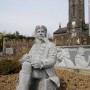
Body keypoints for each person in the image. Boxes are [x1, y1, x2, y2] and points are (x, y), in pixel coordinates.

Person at [16, 25, 60, 90]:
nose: (40, 33)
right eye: (38, 31)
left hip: (45, 70)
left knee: (25, 67)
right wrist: (25, 58)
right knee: (26, 64)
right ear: (36, 34)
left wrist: (41, 63)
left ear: (45, 33)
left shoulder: (51, 45)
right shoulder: (33, 47)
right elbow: (30, 57)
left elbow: (52, 60)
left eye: (42, 31)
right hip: (32, 68)